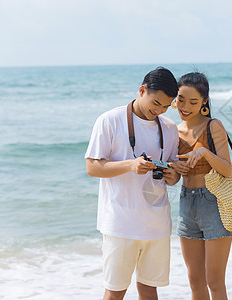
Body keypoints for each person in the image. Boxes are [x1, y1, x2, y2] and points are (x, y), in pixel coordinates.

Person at [85, 67, 181, 300]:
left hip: (157, 224)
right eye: (156, 103)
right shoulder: (109, 120)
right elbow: (92, 167)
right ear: (142, 90)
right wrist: (130, 165)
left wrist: (173, 176)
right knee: (115, 291)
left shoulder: (169, 127)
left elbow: (174, 174)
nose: (158, 110)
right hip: (120, 224)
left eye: (166, 106)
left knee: (150, 289)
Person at [170, 72, 232, 300]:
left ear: (205, 102)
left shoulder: (213, 126)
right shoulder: (172, 131)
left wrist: (205, 153)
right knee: (195, 280)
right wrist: (174, 170)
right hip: (186, 204)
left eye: (193, 101)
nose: (185, 106)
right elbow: (174, 178)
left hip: (214, 203)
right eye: (181, 99)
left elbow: (227, 169)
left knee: (214, 281)